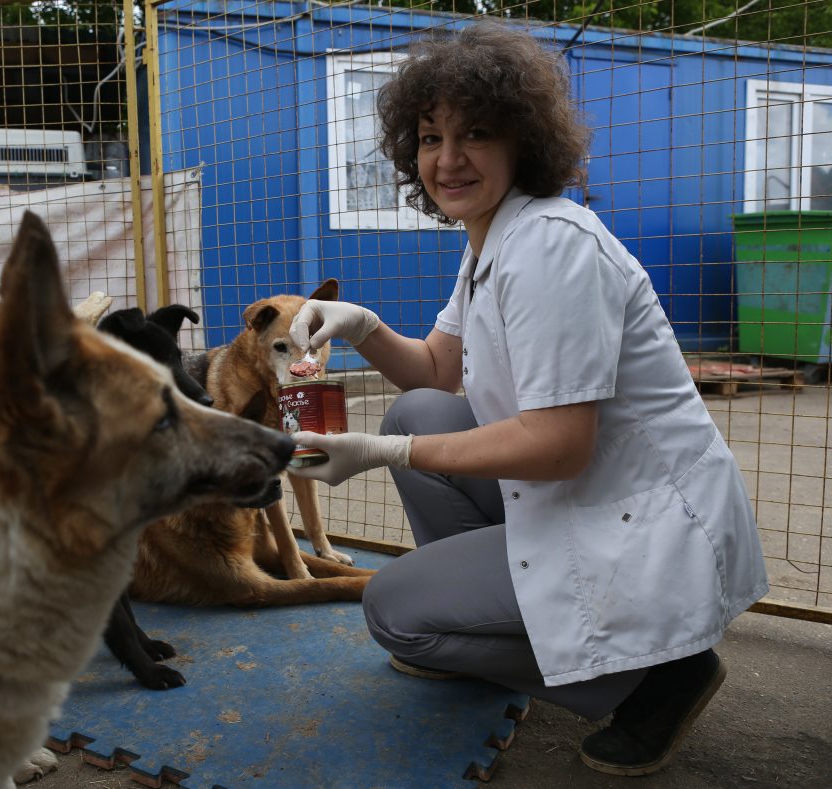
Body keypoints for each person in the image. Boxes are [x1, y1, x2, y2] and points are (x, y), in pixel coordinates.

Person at [287, 21, 768, 777]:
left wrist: (378, 454)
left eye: (475, 133)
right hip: (588, 496)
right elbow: (436, 370)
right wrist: (361, 325)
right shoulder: (488, 237)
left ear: (523, 142)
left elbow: (558, 444)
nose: (447, 159)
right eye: (429, 137)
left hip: (638, 520)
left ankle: (656, 676)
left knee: (392, 613)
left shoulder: (549, 246)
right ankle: (499, 618)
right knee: (419, 411)